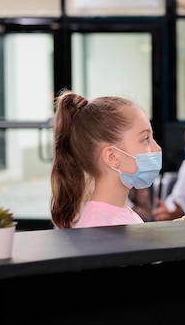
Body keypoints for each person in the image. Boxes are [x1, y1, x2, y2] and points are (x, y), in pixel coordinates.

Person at [50, 90, 162, 229]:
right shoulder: (99, 226)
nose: (157, 148)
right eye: (145, 139)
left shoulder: (120, 215)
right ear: (112, 157)